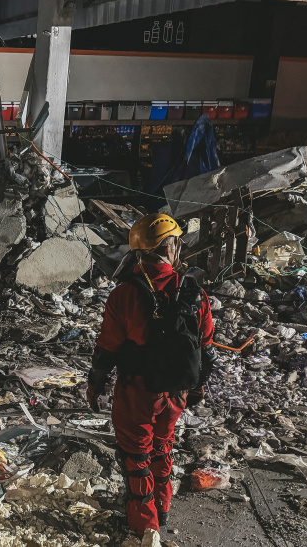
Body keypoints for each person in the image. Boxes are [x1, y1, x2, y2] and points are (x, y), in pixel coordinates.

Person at [86, 214, 216, 536]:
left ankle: (145, 526)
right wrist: (196, 388)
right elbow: (207, 350)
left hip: (138, 393)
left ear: (139, 251)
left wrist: (95, 386)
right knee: (162, 448)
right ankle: (162, 508)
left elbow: (108, 349)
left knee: (136, 458)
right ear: (171, 247)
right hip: (176, 393)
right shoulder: (194, 293)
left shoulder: (124, 294)